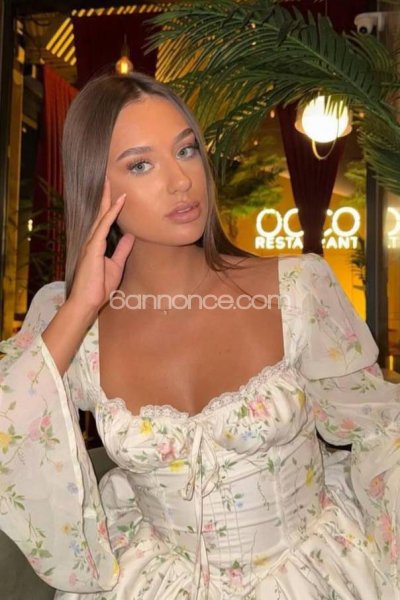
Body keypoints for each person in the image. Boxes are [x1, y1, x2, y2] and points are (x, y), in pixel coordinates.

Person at [0, 71, 399, 600]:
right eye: (141, 164)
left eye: (185, 150)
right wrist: (81, 308)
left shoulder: (297, 289)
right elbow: (10, 430)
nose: (181, 181)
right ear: (96, 185)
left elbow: (382, 430)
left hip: (316, 575)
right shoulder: (72, 321)